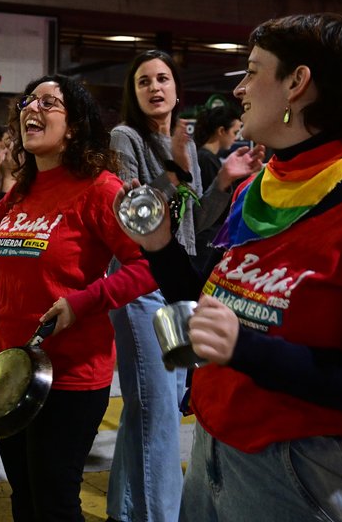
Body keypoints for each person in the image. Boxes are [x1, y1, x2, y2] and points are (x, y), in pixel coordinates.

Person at [114, 13, 342, 522]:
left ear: (297, 84)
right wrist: (161, 246)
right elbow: (206, 307)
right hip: (215, 452)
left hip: (315, 473)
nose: (240, 89)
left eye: (253, 71)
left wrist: (246, 349)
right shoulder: (261, 187)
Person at [0, 76, 160, 518]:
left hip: (69, 377)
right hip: (9, 372)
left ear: (75, 125)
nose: (33, 109)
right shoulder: (20, 193)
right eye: (28, 102)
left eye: (49, 103)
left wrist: (82, 303)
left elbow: (147, 268)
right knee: (24, 498)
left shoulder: (101, 190)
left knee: (54, 501)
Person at [106, 49, 262, 522]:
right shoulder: (125, 137)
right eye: (144, 81)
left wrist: (223, 185)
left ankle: (125, 510)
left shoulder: (186, 143)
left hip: (174, 282)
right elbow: (133, 215)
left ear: (177, 88)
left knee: (152, 410)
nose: (155, 88)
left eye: (163, 79)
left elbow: (193, 225)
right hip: (137, 282)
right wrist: (173, 172)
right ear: (134, 94)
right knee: (158, 416)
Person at [192, 103, 244, 272]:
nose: (236, 138)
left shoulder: (208, 158)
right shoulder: (205, 160)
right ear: (221, 131)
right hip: (206, 241)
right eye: (235, 132)